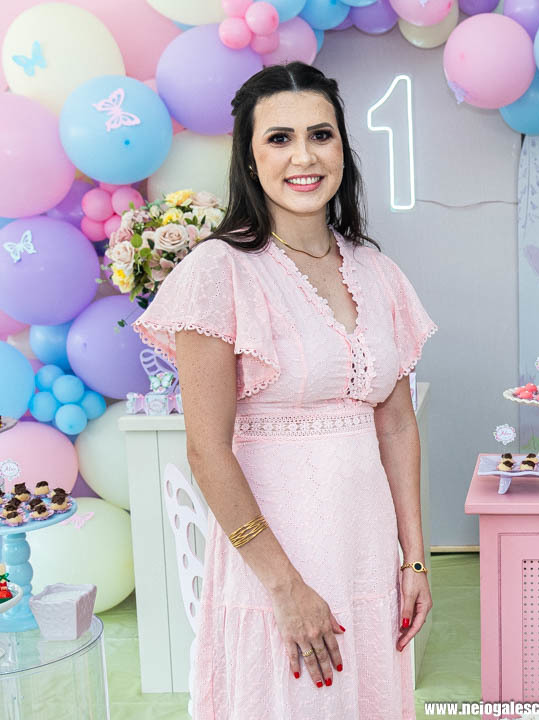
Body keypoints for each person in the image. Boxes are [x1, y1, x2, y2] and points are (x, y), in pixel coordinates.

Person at [133, 62, 436, 719]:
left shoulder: (377, 270)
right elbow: (207, 450)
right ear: (249, 158)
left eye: (321, 135)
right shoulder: (219, 271)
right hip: (276, 562)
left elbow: (396, 424)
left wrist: (414, 559)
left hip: (367, 553)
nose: (304, 156)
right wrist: (285, 586)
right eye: (279, 138)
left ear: (342, 149)